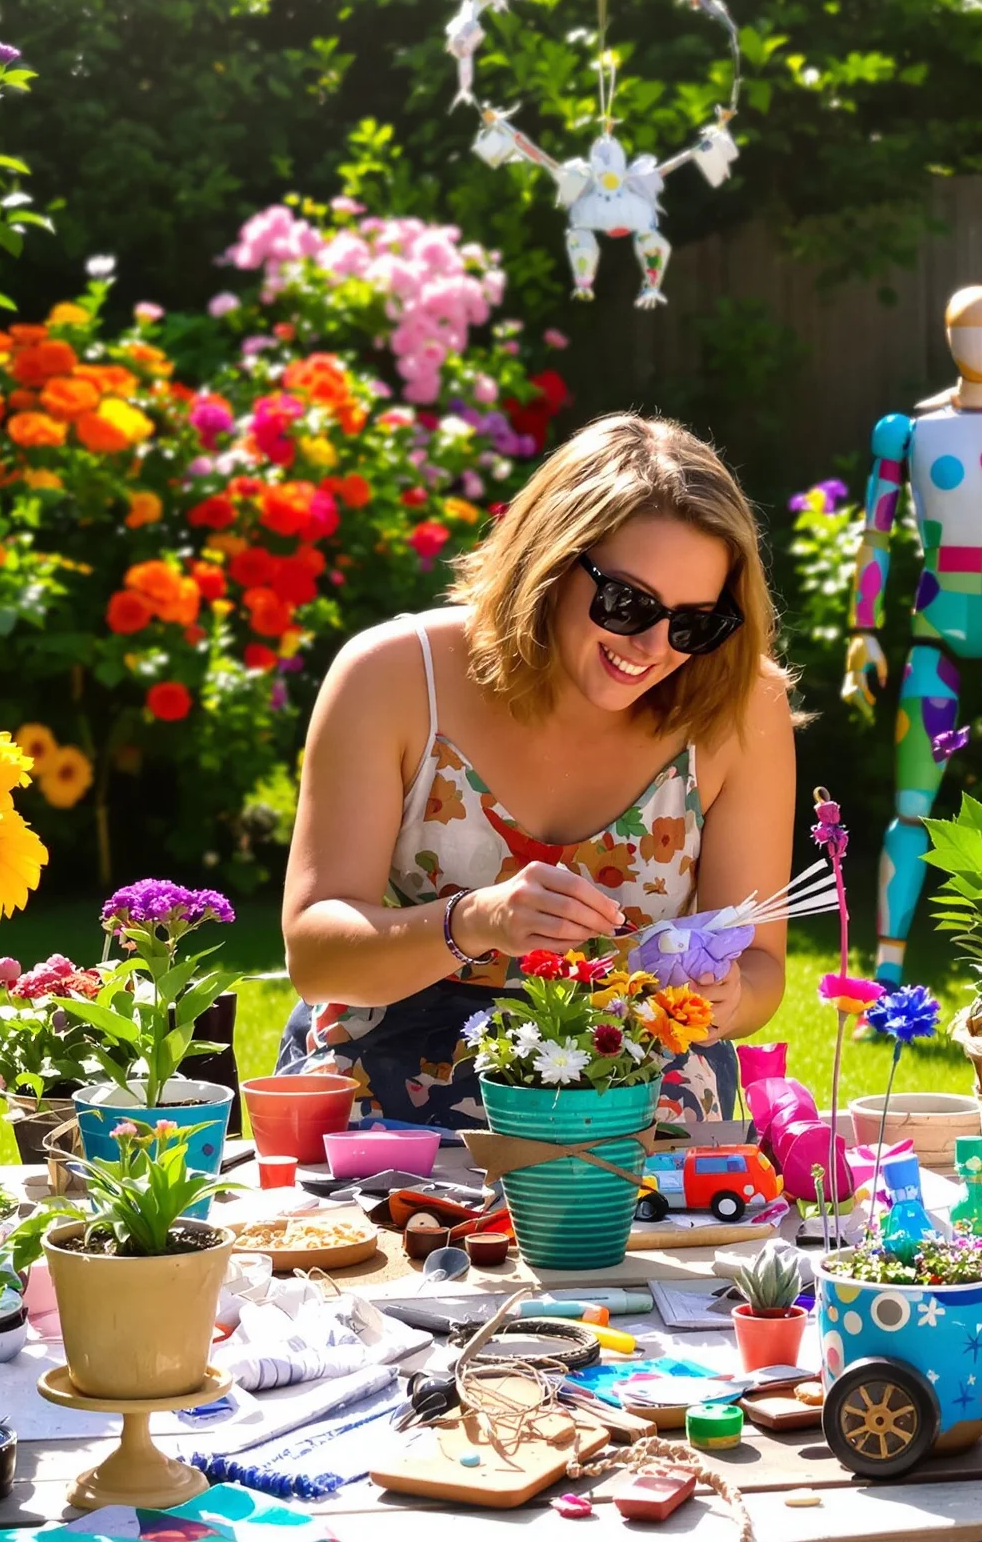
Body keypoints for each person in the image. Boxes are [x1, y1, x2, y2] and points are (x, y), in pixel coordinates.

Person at [277, 412, 795, 1126]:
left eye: (693, 623)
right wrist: (474, 921)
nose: (652, 646)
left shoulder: (742, 706)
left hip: (631, 1078)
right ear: (550, 564)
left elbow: (763, 963)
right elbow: (316, 956)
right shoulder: (393, 677)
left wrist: (730, 996)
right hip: (395, 1066)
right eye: (627, 603)